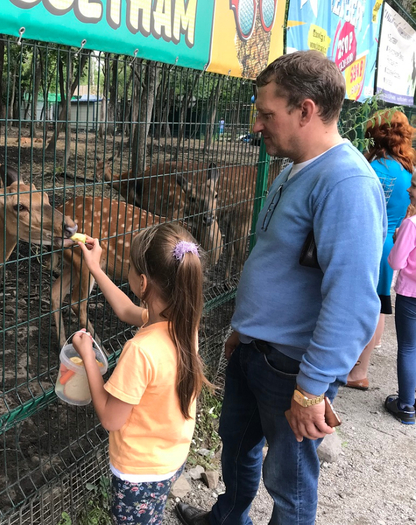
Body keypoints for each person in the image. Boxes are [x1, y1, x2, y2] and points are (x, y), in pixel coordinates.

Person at [175, 50, 386, 525]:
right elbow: (279, 262)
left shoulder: (346, 183)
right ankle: (229, 517)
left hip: (292, 368)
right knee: (237, 446)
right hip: (255, 350)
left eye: (268, 113)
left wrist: (312, 388)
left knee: (288, 482)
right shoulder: (293, 168)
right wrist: (243, 330)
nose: (258, 125)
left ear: (306, 110)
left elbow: (352, 298)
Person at [70, 222, 207, 525]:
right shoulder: (185, 325)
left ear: (142, 283)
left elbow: (110, 418)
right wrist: (95, 267)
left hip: (138, 475)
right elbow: (127, 310)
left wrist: (89, 359)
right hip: (170, 459)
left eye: (130, 267)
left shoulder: (141, 350)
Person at [346, 110, 415, 390]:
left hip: (366, 240)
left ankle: (353, 367)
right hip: (389, 246)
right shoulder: (406, 169)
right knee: (380, 306)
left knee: (359, 303)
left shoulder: (372, 166)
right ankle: (360, 368)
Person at [386, 181, 416, 424]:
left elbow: (396, 262)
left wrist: (397, 239)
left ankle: (406, 405)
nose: (408, 189)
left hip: (410, 294)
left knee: (408, 347)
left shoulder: (410, 225)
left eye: (414, 185)